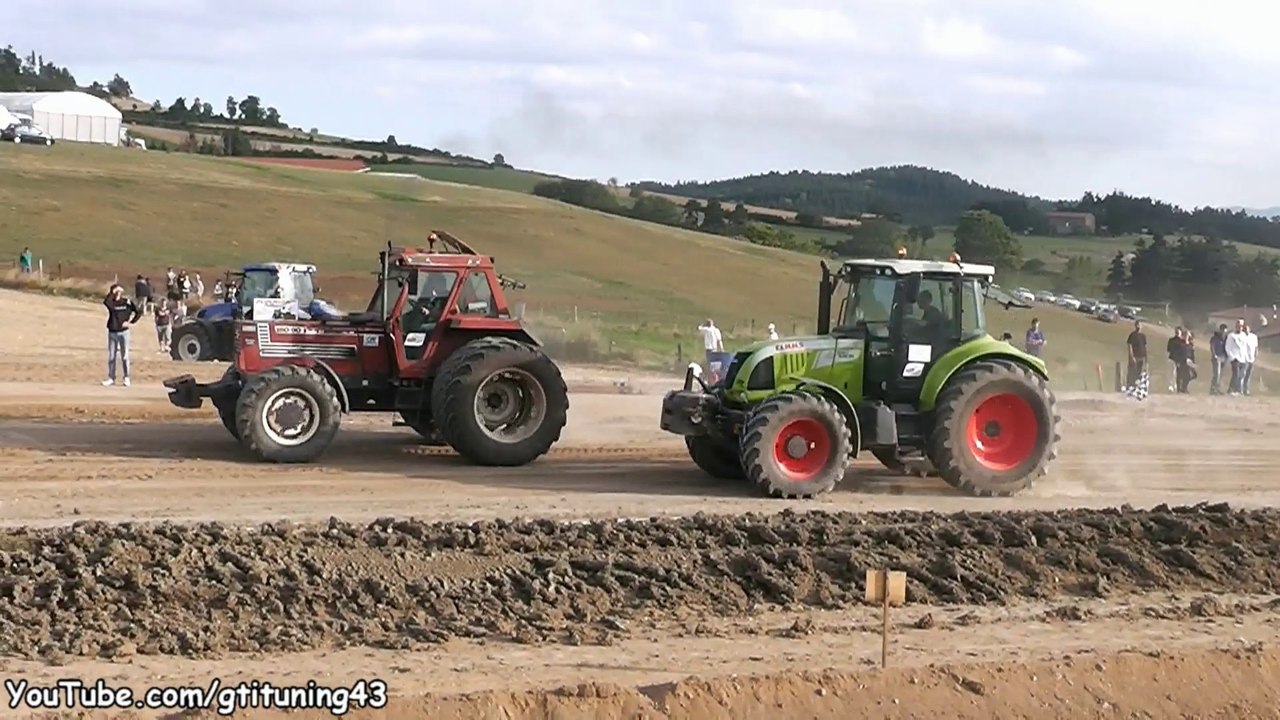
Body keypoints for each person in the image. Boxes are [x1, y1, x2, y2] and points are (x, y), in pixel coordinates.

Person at [102, 283, 142, 387]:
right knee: (112, 356)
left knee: (125, 356)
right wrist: (112, 292)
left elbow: (138, 311)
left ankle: (126, 377)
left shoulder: (127, 302)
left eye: (119, 292)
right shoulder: (112, 303)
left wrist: (131, 322)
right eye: (116, 292)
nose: (117, 294)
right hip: (112, 332)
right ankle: (111, 378)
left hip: (124, 332)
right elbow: (106, 302)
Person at [1225, 319, 1247, 395]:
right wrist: (1232, 357)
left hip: (1242, 358)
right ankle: (1230, 390)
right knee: (1236, 374)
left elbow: (1244, 347)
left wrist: (1245, 356)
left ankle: (1237, 390)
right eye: (1238, 326)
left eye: (1241, 326)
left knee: (1241, 375)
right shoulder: (1231, 335)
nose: (1239, 327)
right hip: (1235, 358)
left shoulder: (1244, 335)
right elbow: (1228, 347)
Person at [1125, 320, 1147, 388]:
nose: (1139, 326)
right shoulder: (1132, 335)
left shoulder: (1143, 336)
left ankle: (1137, 386)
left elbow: (1145, 346)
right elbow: (1129, 346)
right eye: (1137, 325)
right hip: (1135, 356)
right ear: (1135, 326)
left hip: (1141, 356)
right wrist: (1132, 356)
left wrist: (1146, 357)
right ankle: (1130, 385)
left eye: (1140, 325)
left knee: (1139, 372)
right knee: (1132, 371)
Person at [1209, 323, 1229, 395]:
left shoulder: (1226, 338)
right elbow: (1212, 346)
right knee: (1217, 374)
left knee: (1221, 374)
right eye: (1223, 330)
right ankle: (1213, 389)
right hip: (1217, 357)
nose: (1224, 332)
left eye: (1225, 331)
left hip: (1224, 357)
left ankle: (1217, 388)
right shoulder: (1214, 338)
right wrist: (1214, 355)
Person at [1240, 322, 1259, 396]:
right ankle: (1240, 389)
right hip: (1244, 359)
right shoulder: (1242, 337)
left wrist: (1255, 355)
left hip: (1252, 359)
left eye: (1247, 329)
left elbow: (1256, 347)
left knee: (1248, 375)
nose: (1246, 331)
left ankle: (1246, 390)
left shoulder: (1254, 337)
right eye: (1245, 329)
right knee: (1243, 375)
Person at [1166, 327, 1185, 392]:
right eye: (1176, 331)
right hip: (1172, 358)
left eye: (1178, 332)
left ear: (1181, 333)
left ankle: (1176, 386)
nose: (1177, 333)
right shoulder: (1171, 340)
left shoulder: (1182, 341)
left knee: (1178, 374)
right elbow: (1168, 350)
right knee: (1172, 373)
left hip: (1179, 360)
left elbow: (1183, 351)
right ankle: (1171, 386)